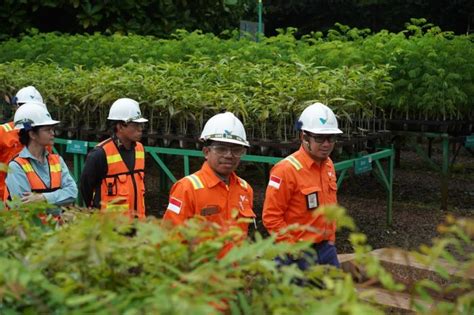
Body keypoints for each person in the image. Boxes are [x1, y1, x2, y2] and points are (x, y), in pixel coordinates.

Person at [262, 102, 343, 268]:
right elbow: (271, 217)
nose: (327, 144)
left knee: (333, 292)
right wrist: (292, 247)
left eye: (331, 138)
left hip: (326, 249)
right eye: (319, 138)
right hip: (296, 254)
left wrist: (331, 240)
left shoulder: (328, 165)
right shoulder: (285, 170)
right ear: (304, 137)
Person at [163, 112, 256, 255]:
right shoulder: (187, 188)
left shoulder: (245, 189)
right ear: (206, 152)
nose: (229, 155)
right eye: (221, 149)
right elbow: (171, 239)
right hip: (202, 274)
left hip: (235, 273)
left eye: (236, 150)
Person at [80, 98, 148, 219]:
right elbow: (86, 188)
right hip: (111, 229)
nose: (140, 128)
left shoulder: (140, 149)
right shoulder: (100, 154)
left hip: (138, 228)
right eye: (135, 125)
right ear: (120, 126)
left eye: (141, 124)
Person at [4, 102, 77, 207]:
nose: (53, 133)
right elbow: (24, 205)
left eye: (52, 129)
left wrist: (42, 198)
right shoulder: (16, 166)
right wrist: (58, 201)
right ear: (32, 134)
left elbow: (72, 193)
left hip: (56, 223)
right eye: (47, 130)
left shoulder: (57, 160)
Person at [0, 86, 46, 199]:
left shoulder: (43, 135)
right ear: (16, 108)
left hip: (34, 200)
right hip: (5, 199)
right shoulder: (3, 132)